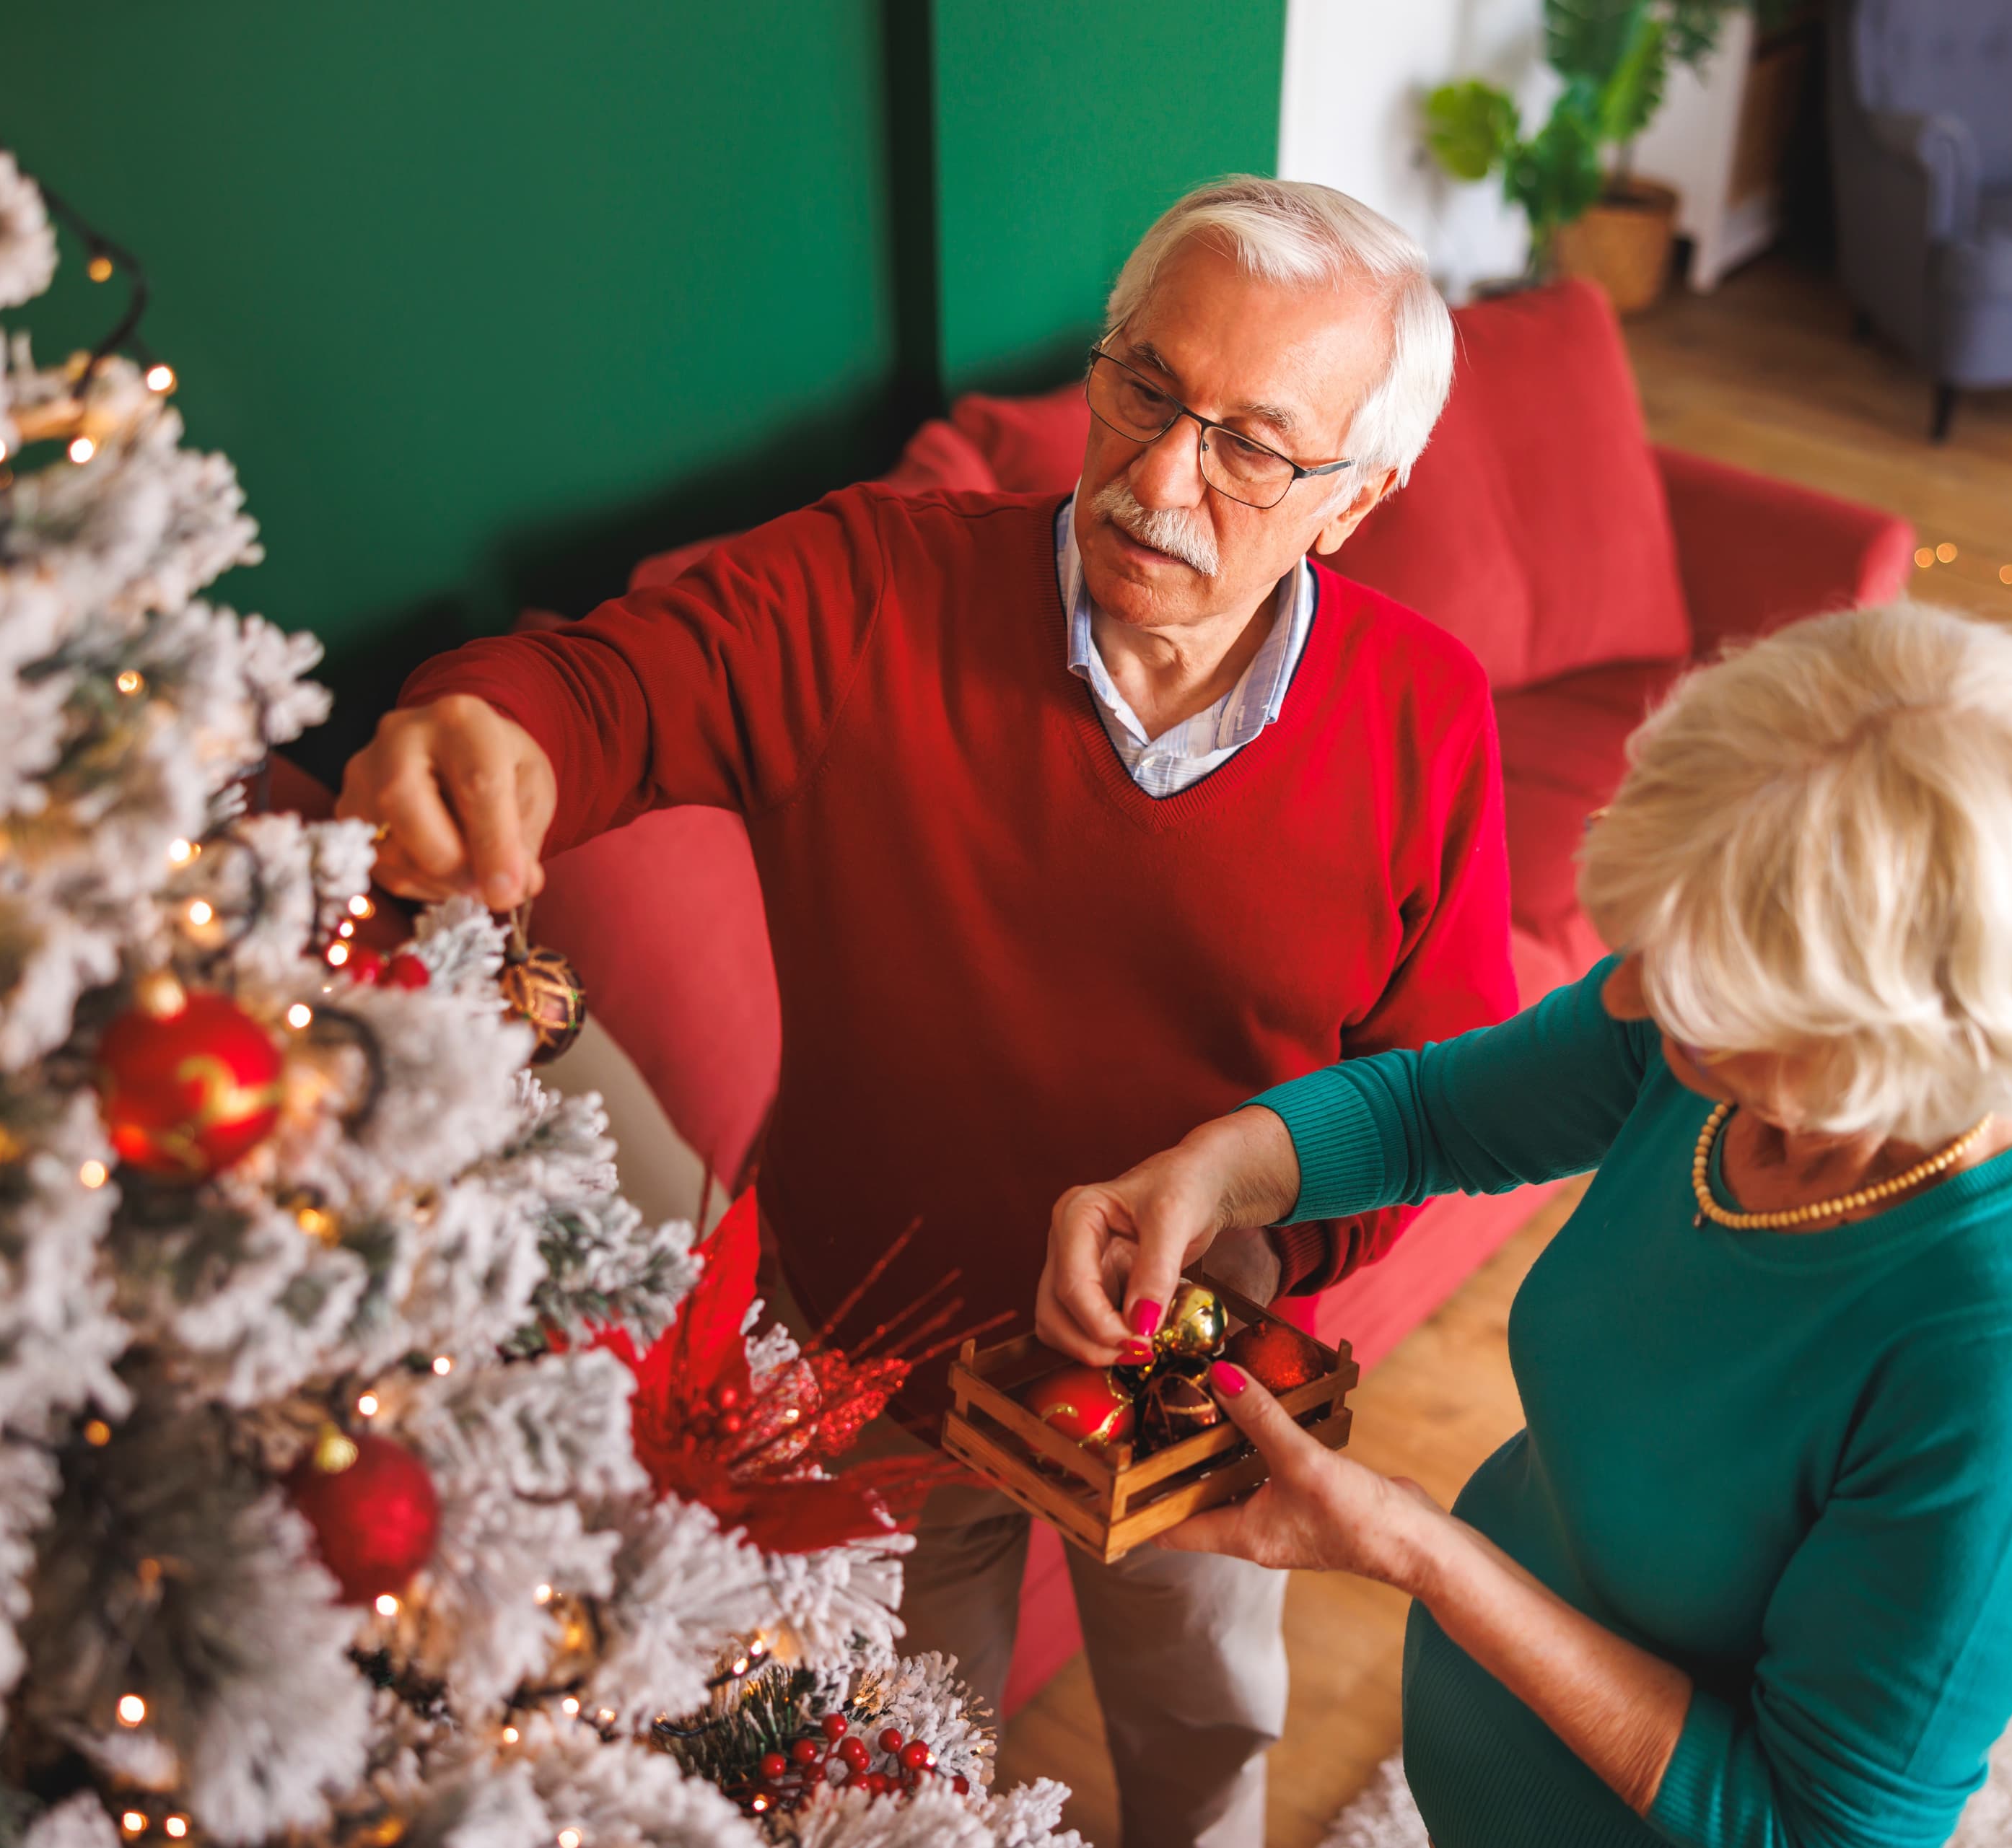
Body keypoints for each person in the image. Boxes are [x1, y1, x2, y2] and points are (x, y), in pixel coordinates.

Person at [337, 178, 1517, 1848]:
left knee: (1201, 1724)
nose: (1162, 478)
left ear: (1356, 499)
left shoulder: (1424, 711)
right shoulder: (865, 585)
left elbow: (1446, 1092)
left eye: (1254, 445)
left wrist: (1256, 1257)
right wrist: (484, 723)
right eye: (1146, 390)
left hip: (1182, 1385)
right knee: (886, 1768)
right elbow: (601, 687)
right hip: (865, 1346)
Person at [1038, 600, 2012, 1848]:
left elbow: (1815, 1827)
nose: (1625, 990)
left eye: (1694, 980)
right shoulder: (1713, 1047)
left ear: (1882, 1040)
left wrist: (1422, 1554)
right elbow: (1434, 1111)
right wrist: (1208, 1172)